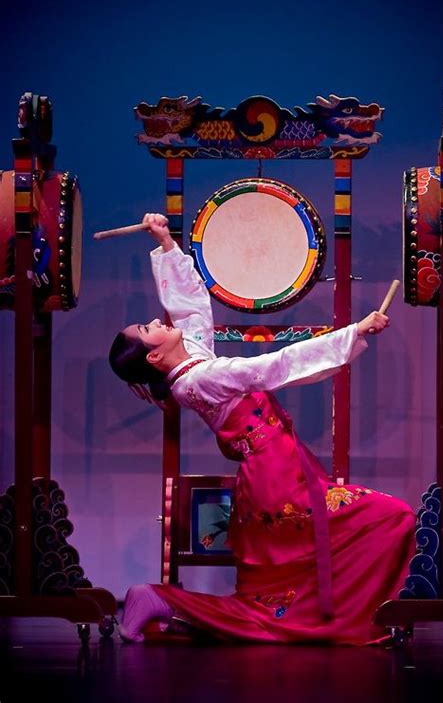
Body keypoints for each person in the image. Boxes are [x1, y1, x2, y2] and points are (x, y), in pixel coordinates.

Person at [109, 213, 415, 645]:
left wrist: (165, 244)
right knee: (391, 517)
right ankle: (164, 600)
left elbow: (192, 307)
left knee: (291, 581)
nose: (156, 322)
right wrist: (353, 332)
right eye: (147, 329)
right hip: (278, 482)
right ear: (154, 358)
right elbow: (273, 366)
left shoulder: (191, 365)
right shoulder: (199, 379)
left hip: (277, 471)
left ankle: (163, 602)